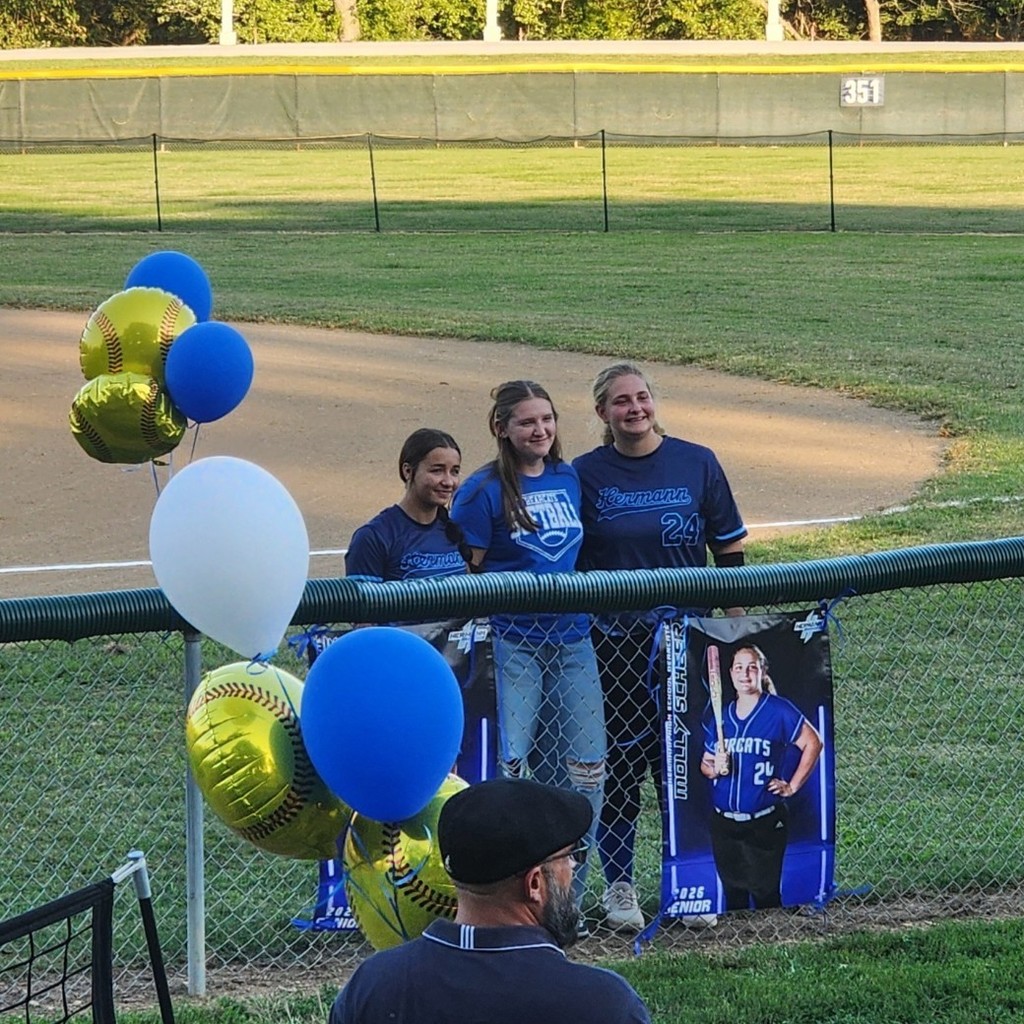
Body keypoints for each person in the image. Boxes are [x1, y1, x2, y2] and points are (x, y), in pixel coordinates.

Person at [573, 361, 748, 932]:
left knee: (688, 765)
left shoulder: (697, 461)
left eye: (642, 398)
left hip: (689, 645)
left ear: (655, 402)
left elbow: (729, 552)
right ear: (603, 412)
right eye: (621, 401)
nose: (635, 409)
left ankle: (692, 878)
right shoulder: (584, 475)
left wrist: (735, 628)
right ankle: (619, 886)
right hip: (616, 645)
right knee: (622, 765)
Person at [450, 380, 606, 925]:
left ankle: (569, 904)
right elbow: (467, 572)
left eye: (547, 419)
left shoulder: (569, 477)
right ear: (502, 429)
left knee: (585, 772)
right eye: (526, 422)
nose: (539, 430)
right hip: (514, 643)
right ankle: (510, 907)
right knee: (511, 768)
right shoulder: (481, 490)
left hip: (572, 642)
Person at [328, 778, 651, 1024]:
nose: (574, 866)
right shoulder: (602, 1006)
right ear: (535, 883)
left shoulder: (372, 987)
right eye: (569, 856)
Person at [700, 643, 823, 911]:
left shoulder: (778, 711)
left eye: (752, 667)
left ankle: (771, 945)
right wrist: (715, 766)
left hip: (763, 821)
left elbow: (813, 742)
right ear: (730, 674)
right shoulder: (723, 718)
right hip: (724, 822)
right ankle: (737, 947)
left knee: (766, 893)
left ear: (763, 672)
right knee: (733, 896)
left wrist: (791, 786)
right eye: (739, 668)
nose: (745, 674)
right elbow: (706, 766)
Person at [345, 428, 472, 583]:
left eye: (454, 472)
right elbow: (361, 604)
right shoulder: (373, 537)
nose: (448, 482)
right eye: (437, 471)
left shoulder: (453, 531)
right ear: (408, 471)